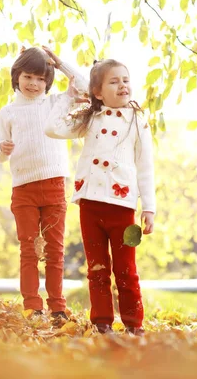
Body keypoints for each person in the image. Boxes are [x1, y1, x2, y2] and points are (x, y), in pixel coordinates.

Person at [44, 59, 156, 336]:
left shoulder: (138, 121)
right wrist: (68, 93)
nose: (122, 85)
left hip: (124, 206)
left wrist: (149, 208)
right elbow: (52, 128)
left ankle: (134, 325)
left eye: (126, 80)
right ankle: (102, 323)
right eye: (114, 81)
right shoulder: (89, 118)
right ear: (98, 92)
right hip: (90, 204)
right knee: (97, 268)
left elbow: (146, 167)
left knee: (126, 270)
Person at [0, 46, 88, 322]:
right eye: (28, 77)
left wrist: (60, 63)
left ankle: (58, 306)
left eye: (40, 78)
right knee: (29, 248)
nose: (34, 84)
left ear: (48, 80)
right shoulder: (8, 113)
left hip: (55, 184)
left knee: (56, 250)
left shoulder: (55, 103)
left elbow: (83, 87)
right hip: (24, 188)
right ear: (17, 76)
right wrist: (3, 149)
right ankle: (32, 305)